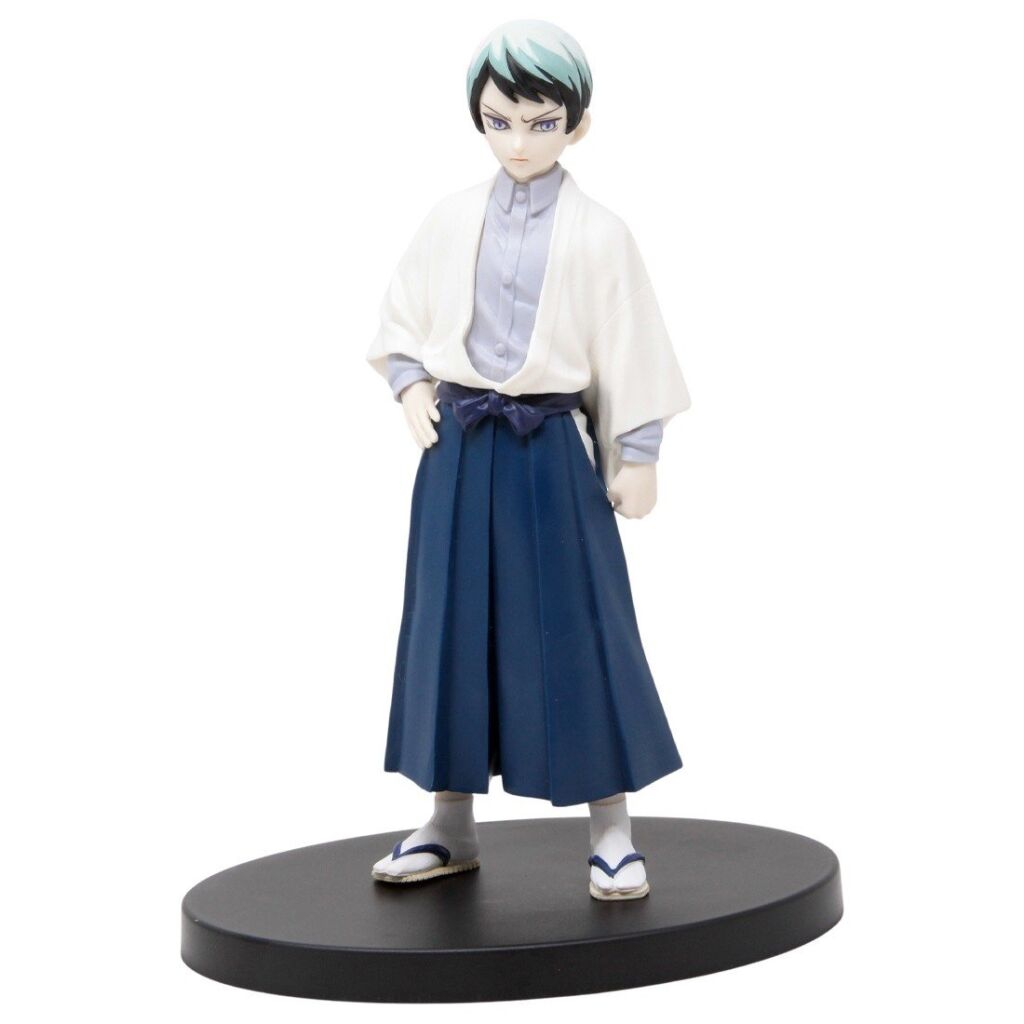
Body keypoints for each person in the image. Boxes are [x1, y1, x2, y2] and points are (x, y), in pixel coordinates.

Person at [365, 20, 690, 900]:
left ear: (575, 124)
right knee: (449, 629)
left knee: (579, 626)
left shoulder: (600, 234)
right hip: (458, 445)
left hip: (549, 448)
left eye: (541, 123)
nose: (518, 141)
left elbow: (632, 341)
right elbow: (400, 316)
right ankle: (449, 820)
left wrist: (638, 452)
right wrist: (410, 385)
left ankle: (611, 826)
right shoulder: (449, 218)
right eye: (500, 120)